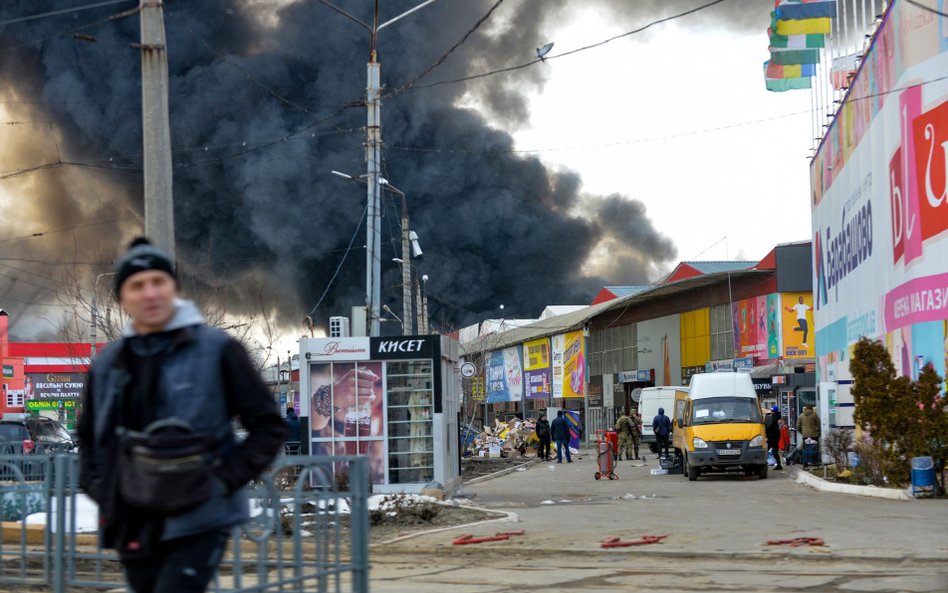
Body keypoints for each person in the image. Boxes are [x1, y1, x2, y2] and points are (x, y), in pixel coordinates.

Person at [78, 237, 286, 593]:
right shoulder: (108, 363)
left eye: (158, 282)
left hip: (200, 518)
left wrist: (222, 481)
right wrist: (102, 490)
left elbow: (268, 425)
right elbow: (89, 440)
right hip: (134, 520)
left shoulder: (218, 350)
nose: (150, 294)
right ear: (123, 297)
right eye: (137, 285)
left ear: (174, 288)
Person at [765, 405, 783, 470]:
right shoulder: (778, 417)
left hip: (772, 436)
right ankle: (779, 464)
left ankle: (763, 464)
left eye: (772, 411)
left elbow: (769, 426)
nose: (771, 412)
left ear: (774, 411)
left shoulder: (773, 418)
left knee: (766, 450)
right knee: (775, 451)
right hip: (776, 436)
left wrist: (766, 434)